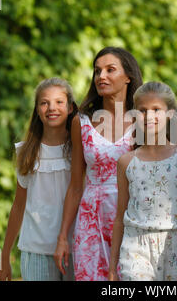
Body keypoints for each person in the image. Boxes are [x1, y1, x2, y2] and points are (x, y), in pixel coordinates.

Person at [54, 47, 143, 281]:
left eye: (110, 70)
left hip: (131, 218)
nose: (101, 76)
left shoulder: (143, 122)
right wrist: (63, 236)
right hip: (90, 221)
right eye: (97, 71)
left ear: (128, 77)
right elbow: (75, 185)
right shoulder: (81, 122)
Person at [108, 81, 177, 281]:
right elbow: (120, 216)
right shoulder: (126, 162)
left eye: (156, 109)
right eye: (142, 110)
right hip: (135, 247)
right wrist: (113, 266)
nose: (149, 116)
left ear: (170, 114)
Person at [0, 77, 78, 281]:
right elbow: (18, 205)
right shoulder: (26, 152)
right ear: (37, 109)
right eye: (44, 103)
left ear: (70, 108)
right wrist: (4, 254)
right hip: (35, 249)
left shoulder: (81, 150)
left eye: (59, 102)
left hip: (75, 247)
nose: (51, 107)